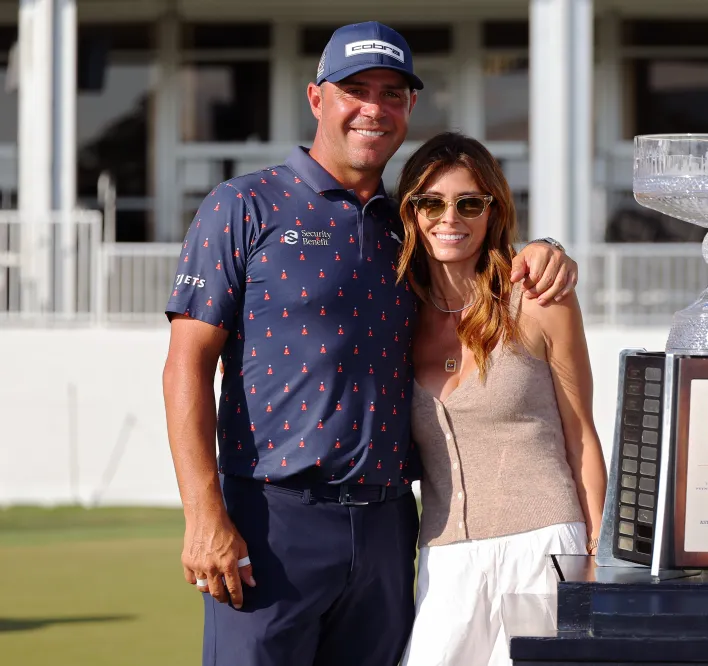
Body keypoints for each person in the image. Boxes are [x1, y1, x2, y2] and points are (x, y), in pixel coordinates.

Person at [161, 22, 578, 666]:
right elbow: (186, 366)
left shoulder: (407, 224)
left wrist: (544, 250)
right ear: (316, 98)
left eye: (392, 93)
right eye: (355, 89)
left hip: (389, 525)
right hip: (273, 520)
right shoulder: (244, 205)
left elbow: (473, 249)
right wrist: (202, 516)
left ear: (410, 107)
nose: (373, 108)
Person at [395, 132, 608, 666]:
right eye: (431, 202)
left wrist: (600, 557)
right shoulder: (396, 313)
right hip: (445, 559)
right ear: (411, 211)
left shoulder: (538, 300)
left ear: (493, 210)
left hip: (545, 546)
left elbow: (581, 432)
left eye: (469, 203)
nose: (450, 217)